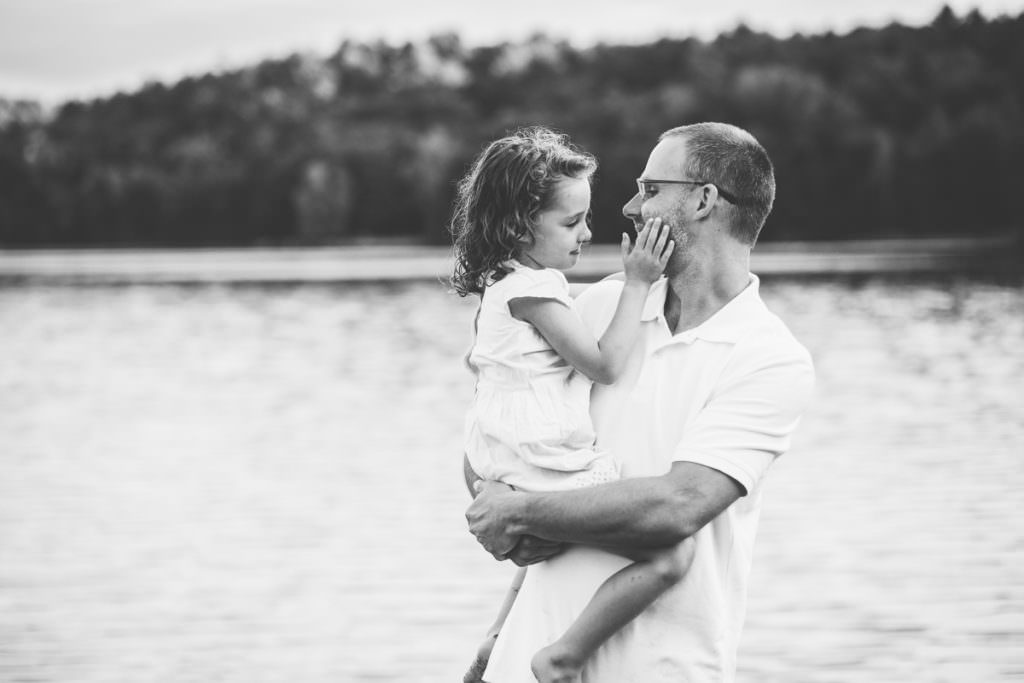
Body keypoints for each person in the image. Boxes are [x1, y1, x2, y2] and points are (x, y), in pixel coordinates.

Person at [464, 122, 816, 683]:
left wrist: (517, 510)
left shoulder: (769, 358)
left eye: (651, 189)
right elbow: (516, 455)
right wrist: (497, 635)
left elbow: (673, 508)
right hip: (528, 663)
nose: (629, 206)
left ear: (704, 200)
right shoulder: (603, 308)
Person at [450, 127, 695, 683]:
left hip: (509, 458)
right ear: (518, 225)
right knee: (670, 555)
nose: (587, 233)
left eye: (585, 218)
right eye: (570, 222)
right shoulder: (531, 292)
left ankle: (497, 638)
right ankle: (563, 656)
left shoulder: (508, 285)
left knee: (547, 547)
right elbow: (605, 364)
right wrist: (638, 282)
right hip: (537, 461)